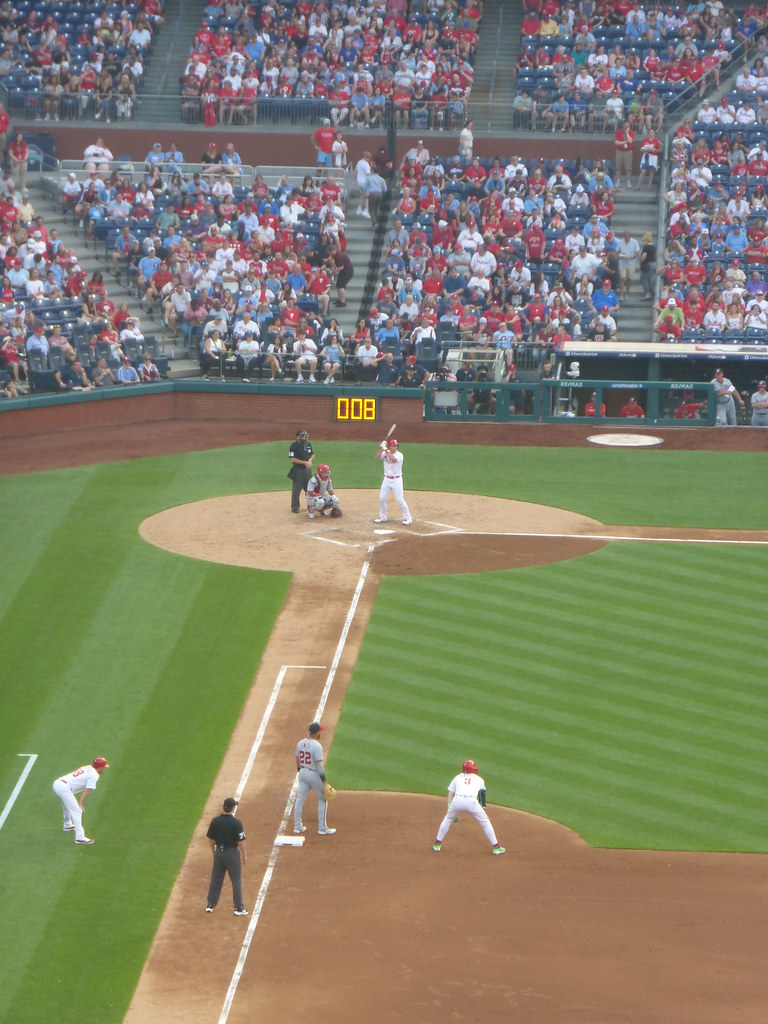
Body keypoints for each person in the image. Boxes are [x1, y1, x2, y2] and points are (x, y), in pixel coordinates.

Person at [432, 759, 505, 856]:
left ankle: (437, 844)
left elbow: (450, 792)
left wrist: (450, 806)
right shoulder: (479, 779)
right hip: (471, 802)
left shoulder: (457, 777)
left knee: (447, 819)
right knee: (485, 822)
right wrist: (483, 811)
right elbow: (482, 796)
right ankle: (496, 847)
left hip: (457, 801)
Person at [205, 797, 248, 916]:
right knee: (236, 880)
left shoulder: (215, 821)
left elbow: (211, 839)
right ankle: (238, 907)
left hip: (219, 852)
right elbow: (241, 841)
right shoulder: (236, 823)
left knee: (216, 878)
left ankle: (210, 904)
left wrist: (214, 852)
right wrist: (244, 855)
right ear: (232, 808)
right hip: (231, 854)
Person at [52, 757, 110, 845]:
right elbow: (88, 791)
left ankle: (67, 825)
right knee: (77, 811)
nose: (104, 768)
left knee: (67, 805)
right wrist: (80, 804)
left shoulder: (87, 767)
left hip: (58, 784)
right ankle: (80, 837)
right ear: (100, 767)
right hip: (64, 788)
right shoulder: (94, 775)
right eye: (104, 767)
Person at [294, 722, 336, 836]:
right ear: (316, 733)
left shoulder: (300, 743)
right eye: (319, 731)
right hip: (313, 774)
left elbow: (297, 758)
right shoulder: (317, 746)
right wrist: (324, 781)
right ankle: (322, 828)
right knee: (323, 799)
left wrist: (301, 771)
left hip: (302, 772)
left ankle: (297, 827)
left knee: (299, 799)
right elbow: (319, 765)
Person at [374, 437, 412, 525]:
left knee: (399, 499)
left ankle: (408, 518)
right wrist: (381, 448)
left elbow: (393, 459)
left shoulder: (400, 455)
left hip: (397, 480)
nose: (395, 447)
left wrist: (385, 448)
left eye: (395, 446)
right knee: (382, 498)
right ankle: (383, 517)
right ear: (390, 446)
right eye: (393, 446)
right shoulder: (385, 452)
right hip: (387, 479)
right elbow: (377, 457)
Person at [287, 428, 314, 513]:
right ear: (297, 437)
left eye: (306, 437)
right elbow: (293, 459)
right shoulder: (293, 446)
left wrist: (310, 460)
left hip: (307, 471)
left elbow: (312, 454)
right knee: (296, 490)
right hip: (298, 470)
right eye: (303, 437)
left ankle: (310, 506)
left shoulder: (308, 444)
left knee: (309, 489)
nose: (305, 439)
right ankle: (295, 507)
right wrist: (304, 462)